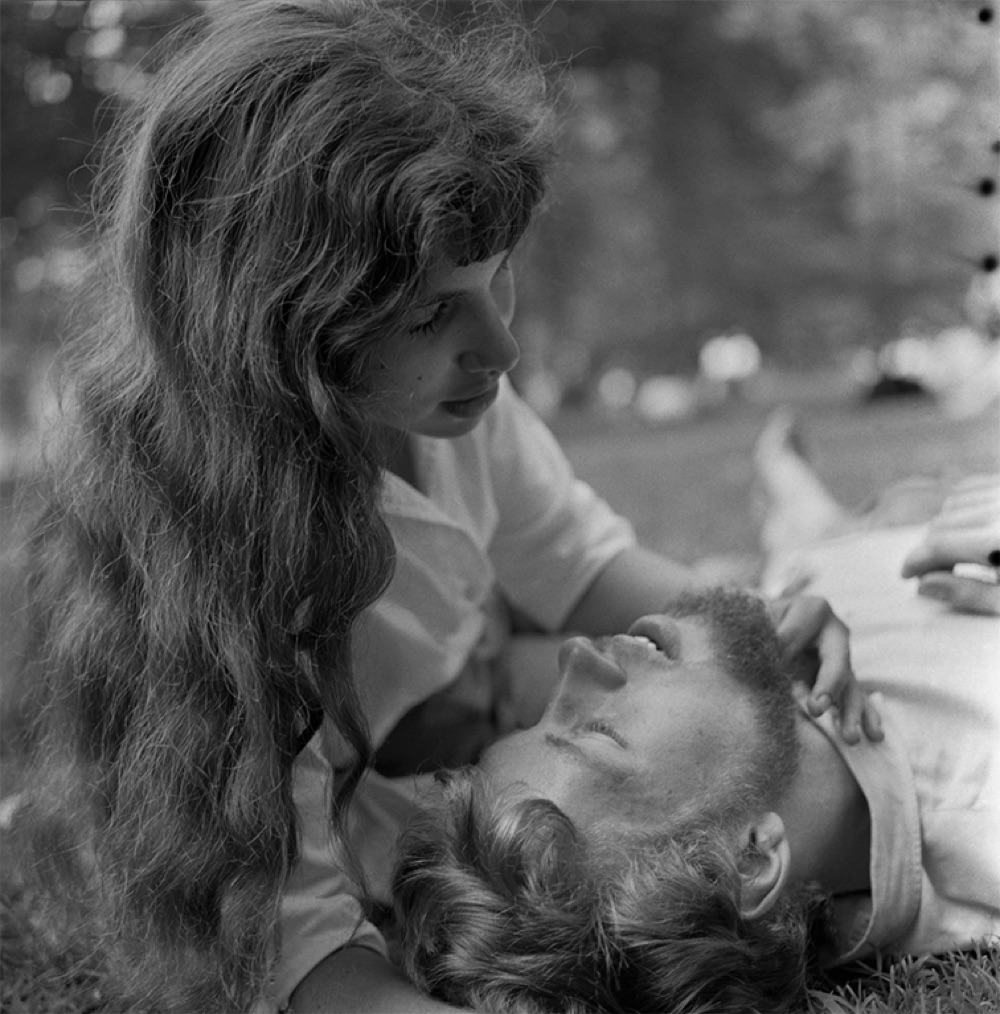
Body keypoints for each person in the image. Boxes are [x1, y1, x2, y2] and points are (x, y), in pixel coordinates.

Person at [14, 4, 872, 1012]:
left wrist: (747, 628)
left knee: (526, 675)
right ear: (279, 345)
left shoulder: (454, 416)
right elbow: (306, 956)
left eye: (497, 282)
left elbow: (584, 568)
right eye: (431, 315)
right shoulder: (225, 572)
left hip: (443, 709)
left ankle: (790, 526)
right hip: (349, 778)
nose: (500, 352)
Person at [391, 429, 1000, 1013]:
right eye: (599, 733)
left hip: (834, 570)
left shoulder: (769, 676)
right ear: (749, 860)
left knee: (849, 532)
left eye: (547, 711)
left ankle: (807, 518)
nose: (577, 659)